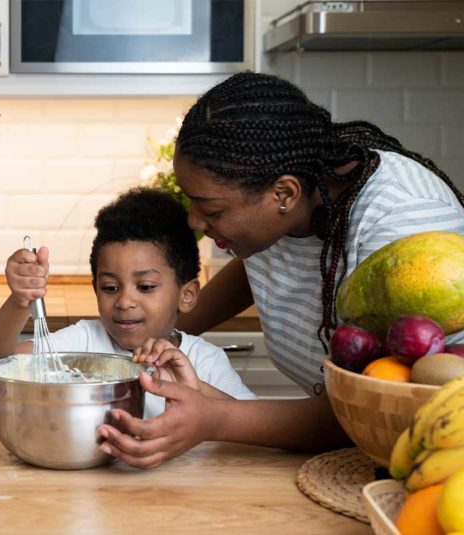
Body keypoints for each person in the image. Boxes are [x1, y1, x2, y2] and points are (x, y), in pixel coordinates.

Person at [96, 71, 464, 468]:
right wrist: (161, 330)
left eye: (212, 209)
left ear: (283, 193)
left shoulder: (402, 223)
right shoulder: (295, 203)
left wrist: (214, 418)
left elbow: (381, 406)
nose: (194, 222)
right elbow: (264, 264)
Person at [0, 187, 256, 418]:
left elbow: (248, 423)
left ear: (187, 295)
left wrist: (191, 385)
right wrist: (20, 301)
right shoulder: (84, 342)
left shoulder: (205, 361)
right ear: (95, 289)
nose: (124, 301)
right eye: (110, 287)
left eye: (145, 287)